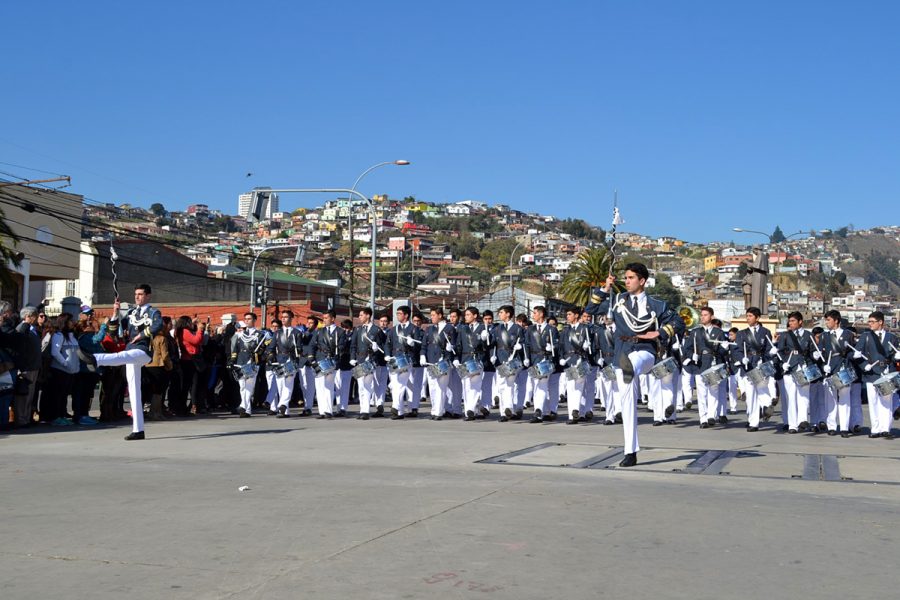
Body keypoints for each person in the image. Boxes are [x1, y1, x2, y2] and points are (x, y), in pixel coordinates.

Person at [584, 262, 685, 467]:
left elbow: (678, 323)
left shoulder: (657, 305)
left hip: (645, 351)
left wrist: (659, 332)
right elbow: (591, 308)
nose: (627, 281)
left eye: (631, 278)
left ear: (642, 281)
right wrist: (605, 288)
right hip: (622, 353)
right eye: (626, 278)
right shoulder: (617, 301)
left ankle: (629, 366)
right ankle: (630, 450)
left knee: (634, 362)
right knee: (627, 402)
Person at [83, 284, 163, 440]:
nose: (137, 297)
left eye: (140, 294)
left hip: (143, 351)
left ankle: (96, 359)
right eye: (136, 294)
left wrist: (141, 335)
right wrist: (115, 312)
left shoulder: (153, 312)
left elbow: (157, 325)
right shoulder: (132, 312)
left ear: (148, 296)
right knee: (134, 392)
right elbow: (114, 330)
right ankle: (138, 429)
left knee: (121, 356)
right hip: (130, 351)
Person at [682, 306, 729, 429]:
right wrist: (692, 356)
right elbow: (687, 348)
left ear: (711, 317)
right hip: (700, 364)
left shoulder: (718, 332)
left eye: (705, 315)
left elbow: (722, 352)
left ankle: (711, 416)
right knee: (702, 393)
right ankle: (703, 419)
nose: (702, 317)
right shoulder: (695, 332)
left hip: (714, 363)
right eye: (701, 315)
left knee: (714, 390)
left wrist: (725, 348)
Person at [854, 311, 898, 439]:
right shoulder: (865, 336)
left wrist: (897, 357)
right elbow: (856, 354)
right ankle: (875, 429)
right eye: (869, 321)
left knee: (886, 401)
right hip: (871, 373)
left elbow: (894, 355)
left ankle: (885, 428)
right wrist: (863, 366)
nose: (870, 324)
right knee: (873, 402)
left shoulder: (891, 337)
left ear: (881, 322)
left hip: (886, 372)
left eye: (872, 322)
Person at [732, 308, 775, 432]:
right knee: (750, 395)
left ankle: (767, 406)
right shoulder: (742, 333)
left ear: (757, 318)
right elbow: (737, 350)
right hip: (748, 364)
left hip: (761, 364)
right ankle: (753, 422)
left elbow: (767, 349)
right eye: (747, 316)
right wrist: (741, 358)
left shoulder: (765, 332)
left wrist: (771, 353)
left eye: (750, 316)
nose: (748, 318)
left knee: (762, 388)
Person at [774, 311, 815, 433]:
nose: (790, 323)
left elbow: (812, 351)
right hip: (789, 368)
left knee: (804, 395)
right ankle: (792, 425)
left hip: (803, 366)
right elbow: (780, 352)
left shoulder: (808, 335)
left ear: (800, 321)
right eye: (789, 321)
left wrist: (815, 355)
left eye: (793, 321)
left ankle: (802, 420)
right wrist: (783, 363)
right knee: (790, 397)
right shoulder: (785, 336)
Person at [821, 310, 854, 436]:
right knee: (831, 399)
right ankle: (831, 426)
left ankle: (844, 427)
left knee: (845, 399)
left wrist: (854, 355)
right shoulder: (825, 335)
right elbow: (822, 354)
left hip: (844, 368)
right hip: (830, 369)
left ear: (836, 321)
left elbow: (851, 351)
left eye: (828, 320)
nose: (826, 322)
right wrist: (824, 365)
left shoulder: (848, 334)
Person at [523, 305, 559, 423]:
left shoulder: (551, 329)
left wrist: (552, 347)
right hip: (534, 359)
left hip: (545, 359)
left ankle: (538, 411)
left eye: (535, 313)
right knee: (535, 385)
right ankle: (544, 411)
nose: (533, 315)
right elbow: (526, 345)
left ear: (541, 314)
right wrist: (526, 358)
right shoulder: (530, 329)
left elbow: (557, 345)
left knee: (542, 384)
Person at [349, 307, 386, 420]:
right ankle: (362, 409)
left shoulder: (376, 330)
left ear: (368, 316)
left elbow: (383, 345)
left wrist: (376, 347)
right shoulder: (358, 330)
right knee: (361, 386)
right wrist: (352, 357)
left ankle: (365, 411)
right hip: (360, 360)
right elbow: (353, 345)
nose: (359, 317)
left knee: (368, 384)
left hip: (371, 360)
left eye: (361, 315)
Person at [420, 307, 456, 420]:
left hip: (443, 362)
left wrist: (451, 348)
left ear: (440, 315)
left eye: (433, 315)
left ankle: (438, 412)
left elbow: (454, 344)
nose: (432, 317)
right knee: (432, 387)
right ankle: (435, 409)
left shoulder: (450, 328)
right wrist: (422, 355)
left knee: (441, 387)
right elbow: (424, 345)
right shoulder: (429, 330)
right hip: (431, 361)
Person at [455, 306, 489, 421]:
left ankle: (470, 410)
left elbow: (486, 347)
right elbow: (458, 344)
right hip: (465, 358)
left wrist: (485, 339)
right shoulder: (462, 329)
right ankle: (471, 409)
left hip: (477, 359)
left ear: (475, 316)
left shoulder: (482, 328)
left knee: (475, 386)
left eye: (468, 314)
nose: (466, 317)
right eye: (465, 315)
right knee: (466, 386)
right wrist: (456, 358)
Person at [559, 307, 592, 424]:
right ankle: (572, 415)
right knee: (570, 387)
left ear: (576, 316)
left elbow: (592, 345)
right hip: (569, 361)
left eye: (569, 314)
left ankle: (575, 411)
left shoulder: (585, 329)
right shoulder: (565, 330)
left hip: (580, 360)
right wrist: (561, 358)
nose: (567, 316)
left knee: (579, 386)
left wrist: (588, 347)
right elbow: (561, 346)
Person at [385, 305, 417, 419]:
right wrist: (387, 355)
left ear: (406, 315)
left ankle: (395, 407)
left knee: (401, 383)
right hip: (394, 359)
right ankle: (399, 412)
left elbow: (419, 345)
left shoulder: (413, 328)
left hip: (406, 359)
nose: (397, 315)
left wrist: (412, 344)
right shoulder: (394, 329)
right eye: (397, 313)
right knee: (394, 385)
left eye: (399, 313)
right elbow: (388, 344)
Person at [493, 305, 525, 422]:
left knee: (509, 384)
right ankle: (504, 412)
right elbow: (493, 344)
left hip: (513, 359)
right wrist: (493, 355)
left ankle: (508, 408)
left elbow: (524, 342)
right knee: (501, 386)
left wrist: (521, 346)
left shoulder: (517, 328)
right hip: (501, 359)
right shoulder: (497, 329)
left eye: (501, 312)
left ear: (508, 314)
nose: (499, 315)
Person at [313, 309, 346, 419]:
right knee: (320, 386)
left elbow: (342, 346)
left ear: (332, 318)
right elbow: (313, 345)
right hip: (320, 359)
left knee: (329, 386)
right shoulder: (319, 331)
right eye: (324, 318)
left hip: (332, 360)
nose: (324, 320)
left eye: (326, 318)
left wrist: (337, 353)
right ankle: (322, 411)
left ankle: (328, 410)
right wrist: (312, 359)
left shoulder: (340, 332)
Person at [228, 319, 263, 418]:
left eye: (242, 328)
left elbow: (261, 348)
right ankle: (246, 410)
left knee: (249, 386)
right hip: (241, 362)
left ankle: (243, 406)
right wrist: (232, 360)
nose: (241, 329)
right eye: (239, 328)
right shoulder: (239, 335)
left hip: (251, 362)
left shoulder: (258, 334)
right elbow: (235, 349)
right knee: (242, 387)